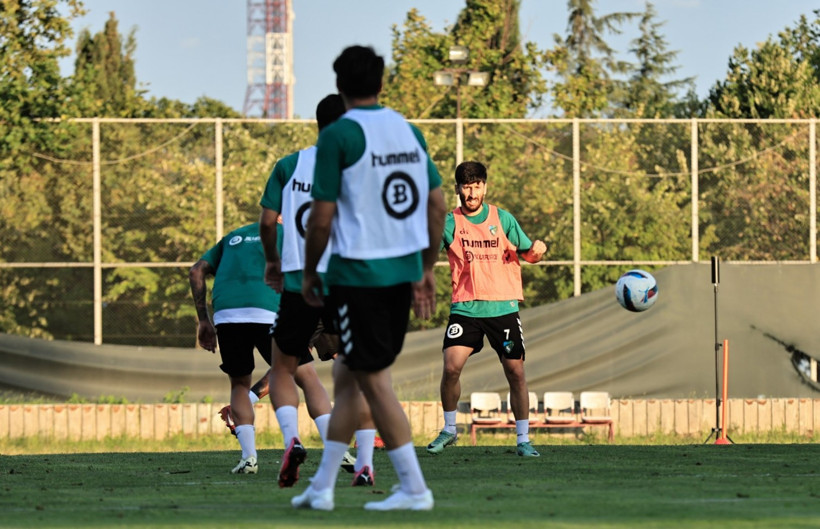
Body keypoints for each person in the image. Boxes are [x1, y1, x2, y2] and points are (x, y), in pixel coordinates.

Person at [291, 45, 447, 512]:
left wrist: (313, 269)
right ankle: (321, 488)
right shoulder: (407, 130)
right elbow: (437, 205)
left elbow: (321, 219)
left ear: (340, 86)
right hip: (399, 273)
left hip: (357, 276)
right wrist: (425, 266)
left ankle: (415, 488)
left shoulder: (339, 135)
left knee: (373, 380)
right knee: (346, 376)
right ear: (382, 83)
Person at [259, 94, 379, 489]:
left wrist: (273, 262)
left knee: (283, 367)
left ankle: (292, 438)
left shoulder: (288, 165)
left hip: (299, 282)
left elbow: (266, 223)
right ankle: (364, 464)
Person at [189, 222, 350, 475]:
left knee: (239, 385)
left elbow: (197, 270)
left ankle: (249, 458)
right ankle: (332, 446)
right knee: (306, 378)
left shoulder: (233, 236)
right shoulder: (294, 235)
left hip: (227, 314)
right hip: (270, 310)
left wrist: (203, 321)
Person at [426, 161, 547, 458]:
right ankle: (450, 429)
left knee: (515, 371)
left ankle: (523, 440)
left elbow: (528, 253)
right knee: (451, 367)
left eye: (477, 186)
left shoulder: (502, 219)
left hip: (502, 308)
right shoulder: (449, 223)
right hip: (466, 309)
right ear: (457, 189)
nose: (471, 192)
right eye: (466, 187)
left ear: (485, 187)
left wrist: (536, 252)